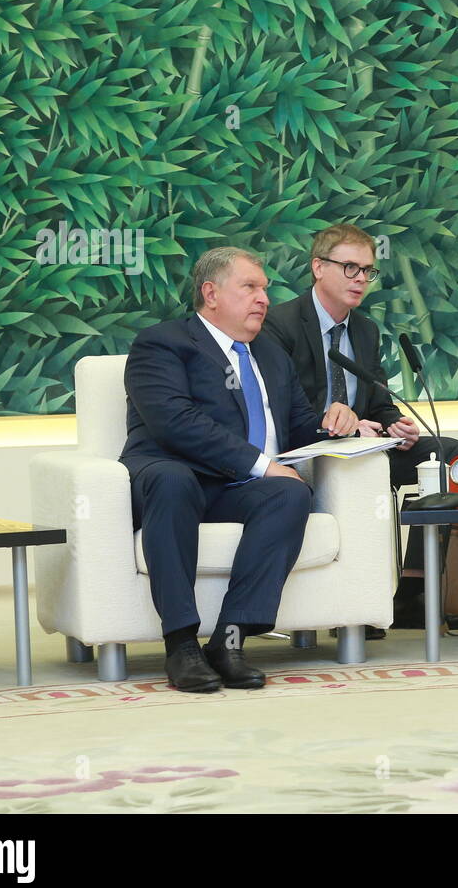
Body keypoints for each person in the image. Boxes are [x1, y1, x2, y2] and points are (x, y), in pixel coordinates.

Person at [120, 247, 330, 693]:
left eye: (265, 290)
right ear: (211, 293)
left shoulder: (271, 354)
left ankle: (228, 642)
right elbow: (175, 423)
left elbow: (301, 428)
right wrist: (263, 465)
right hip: (172, 479)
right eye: (250, 287)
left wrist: (340, 426)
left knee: (292, 494)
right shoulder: (163, 343)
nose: (264, 299)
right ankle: (181, 645)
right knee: (173, 480)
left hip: (238, 488)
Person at [259, 224, 458, 633]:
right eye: (350, 268)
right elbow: (278, 406)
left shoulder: (365, 330)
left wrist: (398, 426)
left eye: (368, 272)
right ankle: (349, 602)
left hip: (364, 448)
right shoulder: (280, 325)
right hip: (306, 450)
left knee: (447, 455)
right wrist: (336, 423)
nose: (360, 280)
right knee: (357, 466)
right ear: (318, 267)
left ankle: (414, 593)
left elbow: (378, 403)